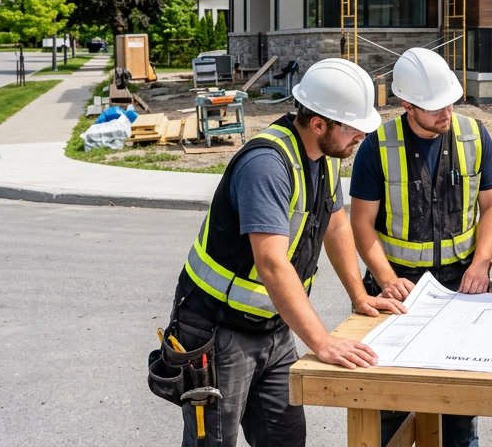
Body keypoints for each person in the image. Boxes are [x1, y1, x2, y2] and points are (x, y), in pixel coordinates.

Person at [166, 58, 405, 447]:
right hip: (218, 330)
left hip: (272, 327)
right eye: (354, 128)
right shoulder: (267, 165)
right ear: (318, 124)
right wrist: (322, 342)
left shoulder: (324, 159)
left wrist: (360, 296)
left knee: (286, 440)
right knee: (212, 442)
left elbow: (336, 223)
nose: (360, 137)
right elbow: (273, 263)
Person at [350, 47, 492, 447]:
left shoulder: (474, 135)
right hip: (398, 290)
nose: (445, 113)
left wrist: (481, 264)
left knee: (459, 408)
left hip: (461, 284)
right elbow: (361, 224)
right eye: (434, 107)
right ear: (406, 104)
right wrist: (385, 279)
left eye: (449, 103)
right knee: (390, 407)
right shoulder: (377, 145)